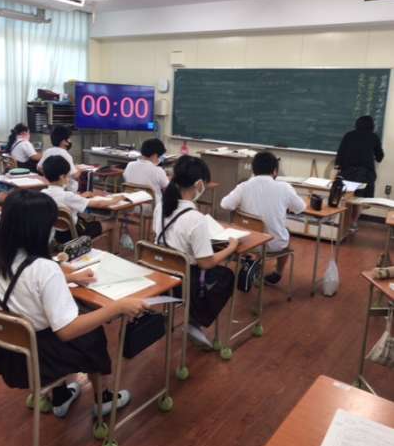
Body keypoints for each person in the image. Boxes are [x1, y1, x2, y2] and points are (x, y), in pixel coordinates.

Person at [0, 190, 148, 418]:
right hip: (42, 360)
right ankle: (103, 399)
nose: (53, 230)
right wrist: (117, 307)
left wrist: (69, 277)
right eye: (51, 225)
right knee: (93, 335)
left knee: (57, 321)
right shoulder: (45, 268)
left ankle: (60, 396)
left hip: (11, 356)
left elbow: (25, 283)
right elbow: (66, 330)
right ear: (36, 229)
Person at [153, 155, 237, 349]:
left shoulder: (161, 206)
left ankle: (193, 318)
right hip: (183, 282)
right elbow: (206, 263)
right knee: (226, 276)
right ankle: (194, 321)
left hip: (160, 273)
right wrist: (231, 248)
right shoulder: (195, 218)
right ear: (199, 184)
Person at [221, 151, 305, 285]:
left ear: (253, 170)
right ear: (275, 171)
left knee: (256, 228)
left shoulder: (244, 186)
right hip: (272, 244)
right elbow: (300, 208)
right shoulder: (284, 187)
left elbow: (225, 204)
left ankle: (252, 262)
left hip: (247, 241)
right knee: (286, 234)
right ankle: (277, 273)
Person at [42, 155, 122, 243]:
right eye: (68, 176)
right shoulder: (67, 196)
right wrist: (116, 199)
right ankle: (115, 250)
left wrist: (82, 196)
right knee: (114, 222)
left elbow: (70, 200)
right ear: (62, 177)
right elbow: (98, 204)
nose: (69, 179)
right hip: (75, 234)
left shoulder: (43, 194)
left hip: (55, 234)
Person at [335, 115, 384, 228]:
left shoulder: (349, 135)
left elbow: (340, 153)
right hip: (365, 174)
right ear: (372, 125)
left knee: (346, 197)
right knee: (360, 200)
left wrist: (338, 169)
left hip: (347, 172)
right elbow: (380, 157)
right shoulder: (374, 137)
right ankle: (353, 223)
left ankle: (342, 224)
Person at [123, 138, 169, 204]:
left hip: (131, 204)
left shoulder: (129, 165)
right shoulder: (158, 170)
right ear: (155, 155)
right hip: (153, 206)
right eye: (159, 156)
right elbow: (168, 189)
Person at [37, 125, 79, 191]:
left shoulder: (48, 151)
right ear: (64, 141)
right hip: (68, 189)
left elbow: (39, 167)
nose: (70, 141)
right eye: (69, 139)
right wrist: (80, 170)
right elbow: (75, 175)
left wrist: (50, 176)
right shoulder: (65, 154)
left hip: (51, 186)